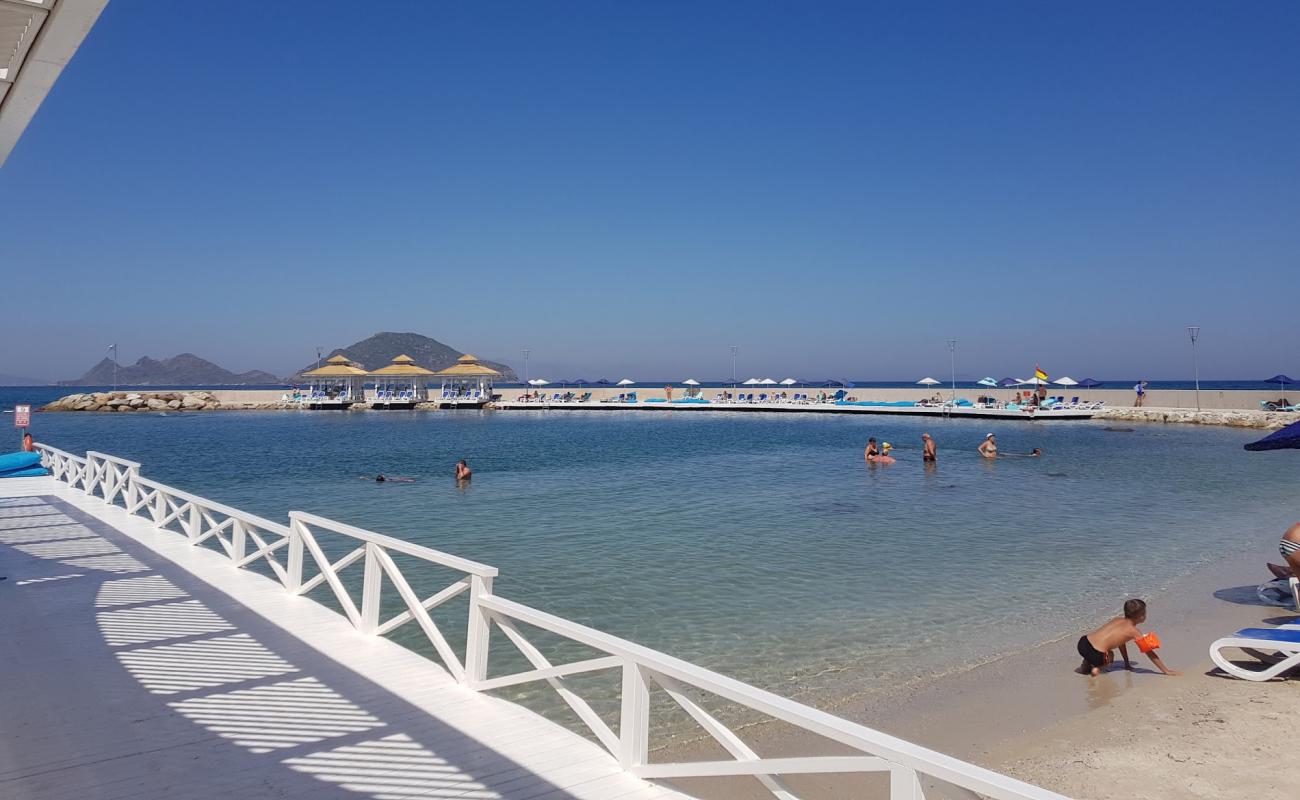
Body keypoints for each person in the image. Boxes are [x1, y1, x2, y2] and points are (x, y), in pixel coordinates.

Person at [1076, 599, 1180, 677]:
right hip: (1097, 655)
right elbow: (1149, 652)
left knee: (1098, 648)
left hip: (1083, 643)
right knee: (1110, 655)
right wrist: (1166, 671)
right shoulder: (1134, 632)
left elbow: (1121, 642)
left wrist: (1126, 661)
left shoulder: (1116, 619)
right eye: (1145, 613)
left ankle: (1085, 666)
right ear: (1141, 616)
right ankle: (1097, 669)